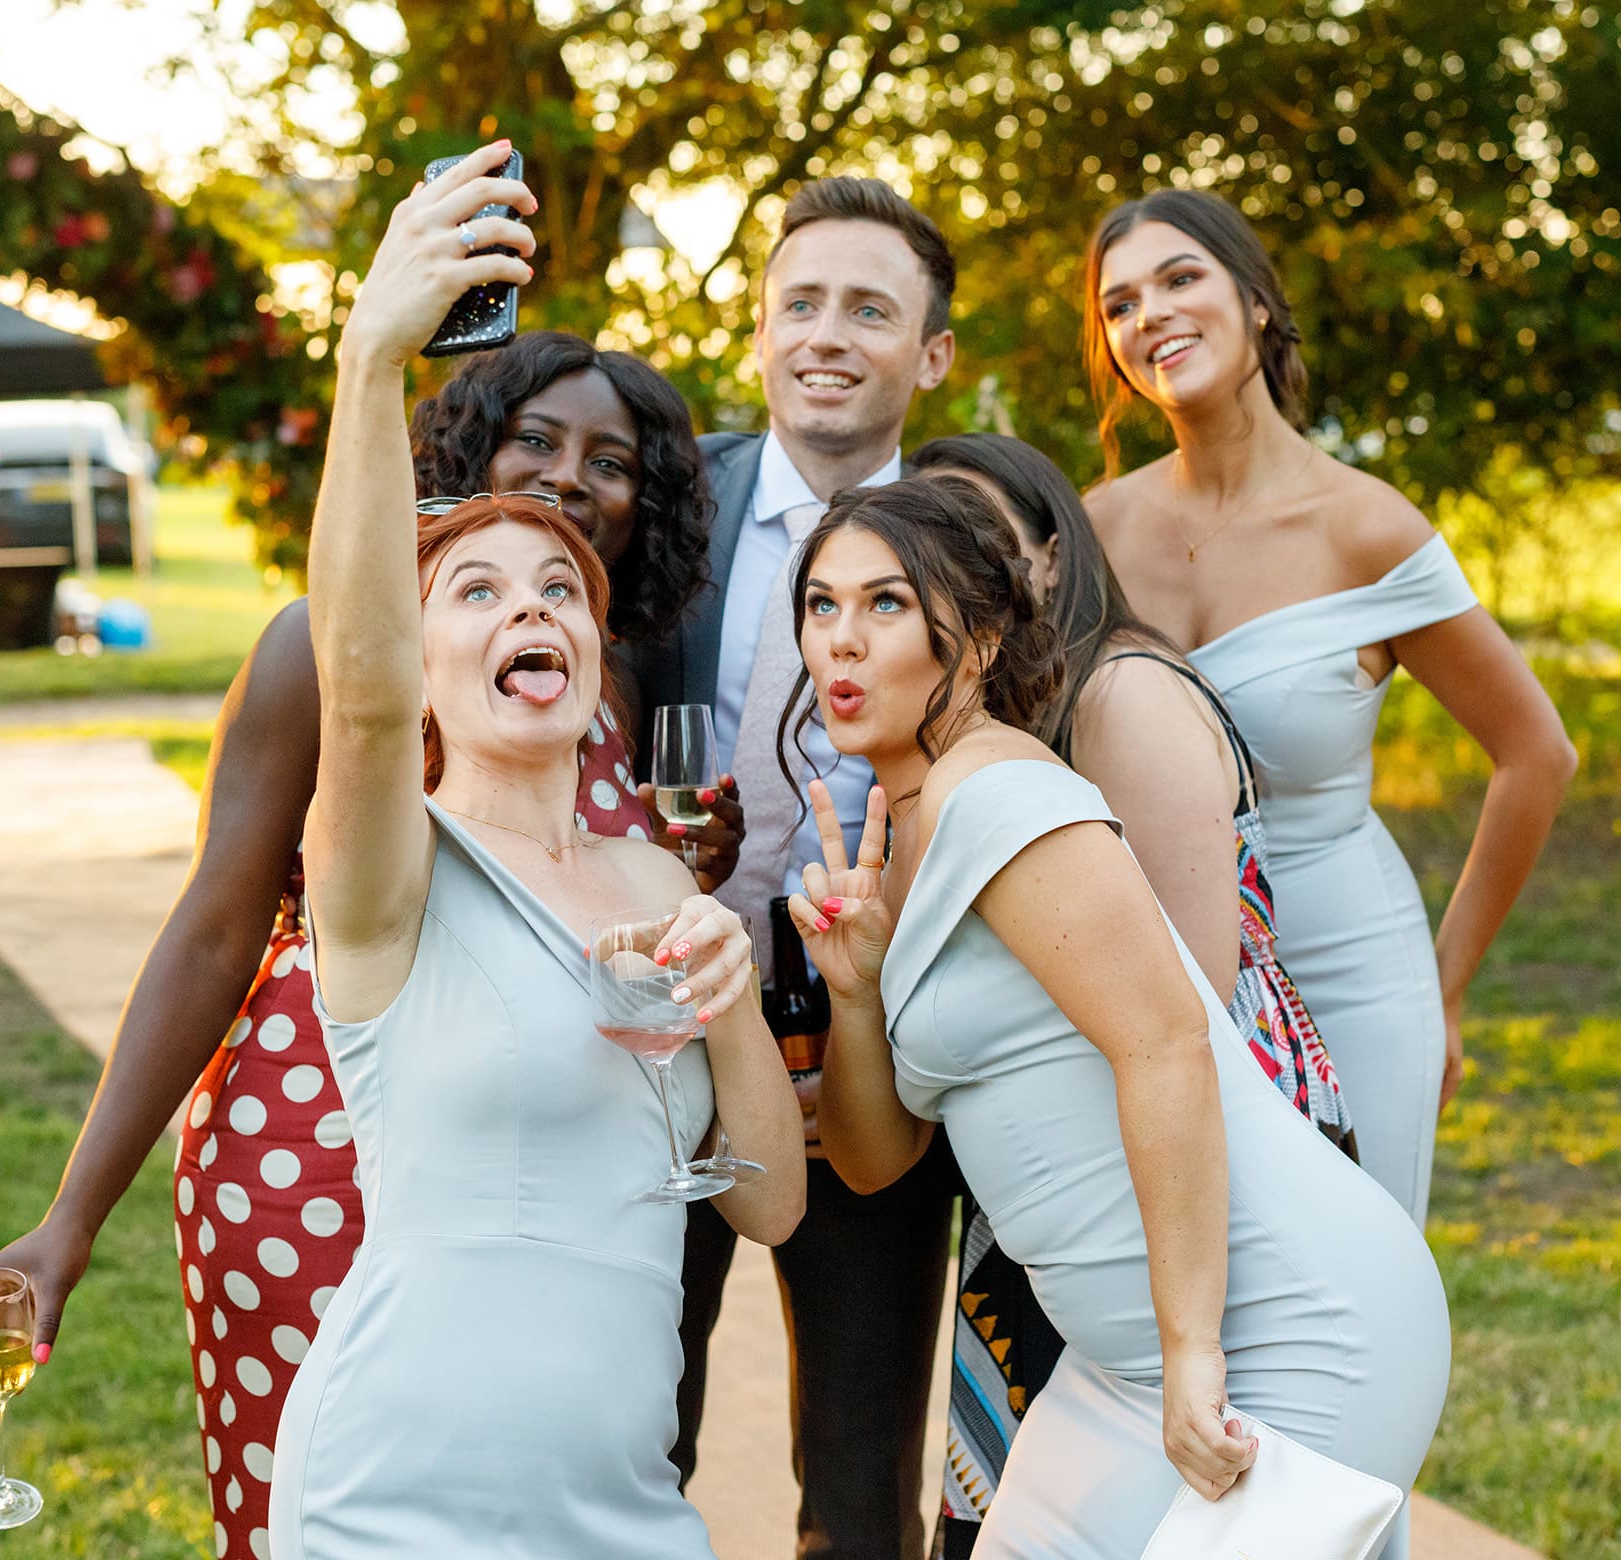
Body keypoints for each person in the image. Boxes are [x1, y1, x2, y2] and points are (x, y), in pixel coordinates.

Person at [0, 314, 737, 1557]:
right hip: (315, 1149)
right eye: (537, 437)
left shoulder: (602, 678)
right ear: (470, 442)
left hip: (551, 1179)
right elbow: (215, 927)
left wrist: (688, 873)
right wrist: (71, 1217)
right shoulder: (323, 654)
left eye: (612, 460)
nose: (573, 474)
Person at [271, 141, 802, 1556]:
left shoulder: (656, 883)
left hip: (630, 1509)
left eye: (561, 586)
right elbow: (361, 684)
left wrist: (734, 998)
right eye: (480, 591)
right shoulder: (391, 871)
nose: (535, 608)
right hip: (396, 1501)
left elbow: (766, 1202)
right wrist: (369, 363)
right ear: (433, 663)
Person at [794, 477, 1450, 1560]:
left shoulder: (998, 791)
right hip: (1118, 1365)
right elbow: (873, 1160)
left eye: (887, 604)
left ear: (981, 639)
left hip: (1283, 1328)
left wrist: (1194, 1355)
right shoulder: (900, 832)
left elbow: (1168, 1044)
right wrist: (856, 994)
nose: (842, 644)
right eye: (822, 606)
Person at [1082, 188, 1578, 1225]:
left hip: (1349, 970)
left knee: (1355, 1300)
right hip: (1157, 981)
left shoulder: (1367, 528)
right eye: (1120, 304)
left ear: (1256, 301)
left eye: (1181, 279)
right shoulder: (1091, 533)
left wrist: (1442, 988)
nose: (1151, 316)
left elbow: (1537, 754)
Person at [908, 433, 1354, 1552]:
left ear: (1051, 561)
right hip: (1095, 1153)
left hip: (1201, 1156)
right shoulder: (1006, 730)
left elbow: (1189, 1004)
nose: (947, 573)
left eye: (980, 542)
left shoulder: (1118, 698)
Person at [632, 175, 961, 1558]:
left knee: (862, 1469)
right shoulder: (661, 508)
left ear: (930, 354)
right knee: (635, 1428)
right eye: (801, 304)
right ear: (759, 333)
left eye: (870, 309)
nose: (828, 334)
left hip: (881, 1045)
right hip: (654, 1040)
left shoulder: (969, 534)